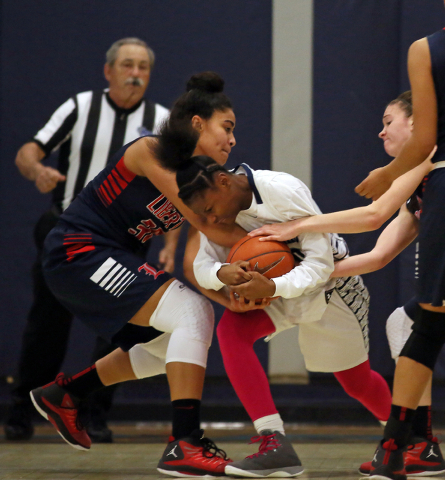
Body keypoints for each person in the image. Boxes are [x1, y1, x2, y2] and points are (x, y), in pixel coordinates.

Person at [29, 71, 253, 477]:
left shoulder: (198, 176)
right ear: (197, 124)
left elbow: (191, 260)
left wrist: (226, 290)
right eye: (228, 127)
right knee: (193, 315)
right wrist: (288, 243)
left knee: (175, 346)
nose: (233, 140)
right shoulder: (149, 150)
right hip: (78, 251)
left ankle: (66, 393)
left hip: (104, 256)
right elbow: (205, 221)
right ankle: (184, 444)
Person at [249, 81, 443, 477]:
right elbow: (377, 256)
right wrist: (308, 275)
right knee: (404, 324)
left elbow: (372, 215)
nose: (381, 131)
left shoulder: (432, 155)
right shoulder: (420, 189)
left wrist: (298, 227)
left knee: (415, 328)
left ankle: (410, 443)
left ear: (417, 123)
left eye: (389, 121)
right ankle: (421, 445)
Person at [158, 153, 393, 478]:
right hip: (276, 288)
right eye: (202, 215)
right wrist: (222, 273)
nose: (209, 220)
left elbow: (319, 265)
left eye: (210, 209)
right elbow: (201, 265)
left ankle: (403, 439)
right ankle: (274, 442)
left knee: (357, 383)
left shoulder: (282, 190)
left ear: (224, 182)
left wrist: (272, 285)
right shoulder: (211, 208)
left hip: (329, 288)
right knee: (231, 333)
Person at [6, 37, 170, 443]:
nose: (135, 73)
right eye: (127, 65)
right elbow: (29, 150)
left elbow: (176, 190)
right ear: (108, 70)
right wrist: (36, 170)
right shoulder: (80, 107)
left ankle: (94, 412)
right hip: (68, 233)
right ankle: (23, 411)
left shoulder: (162, 121)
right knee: (47, 323)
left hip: (127, 241)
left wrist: (170, 243)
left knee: (120, 328)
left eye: (143, 67)